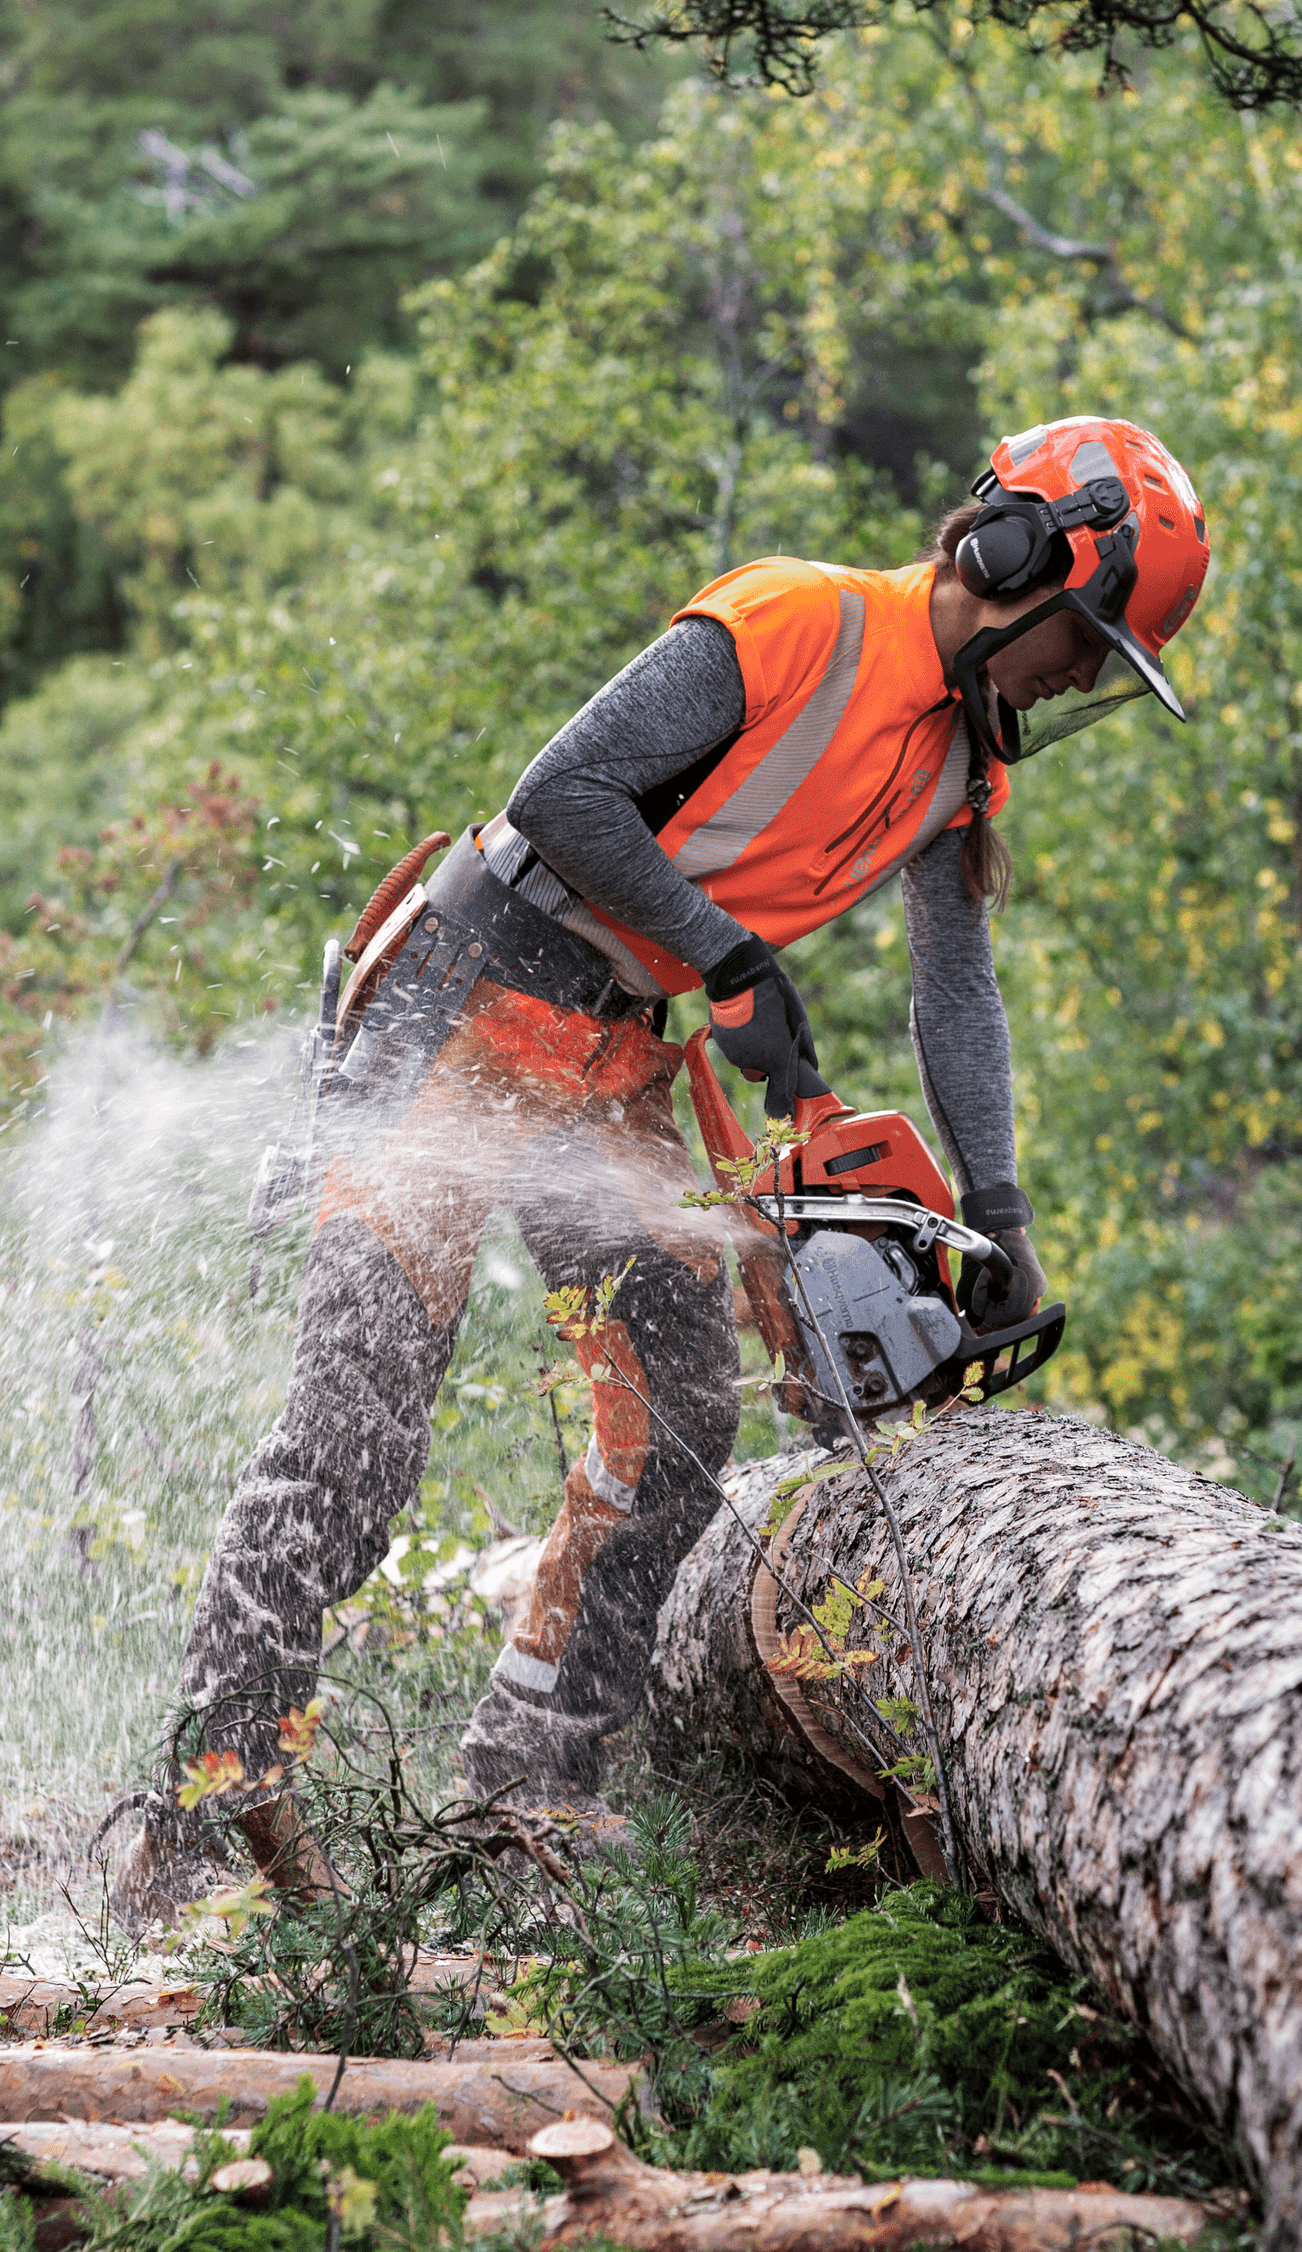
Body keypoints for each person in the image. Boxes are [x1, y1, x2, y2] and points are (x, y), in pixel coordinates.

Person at [120, 416, 1212, 1916]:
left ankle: (526, 1802)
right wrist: (730, 957)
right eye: (1084, 646)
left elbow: (955, 992)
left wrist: (1001, 1205)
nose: (1079, 680)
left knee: (679, 1422)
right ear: (1018, 558)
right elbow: (562, 792)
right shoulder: (793, 624)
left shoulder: (961, 764)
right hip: (468, 994)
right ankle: (201, 1813)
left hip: (620, 1048)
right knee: (358, 1431)